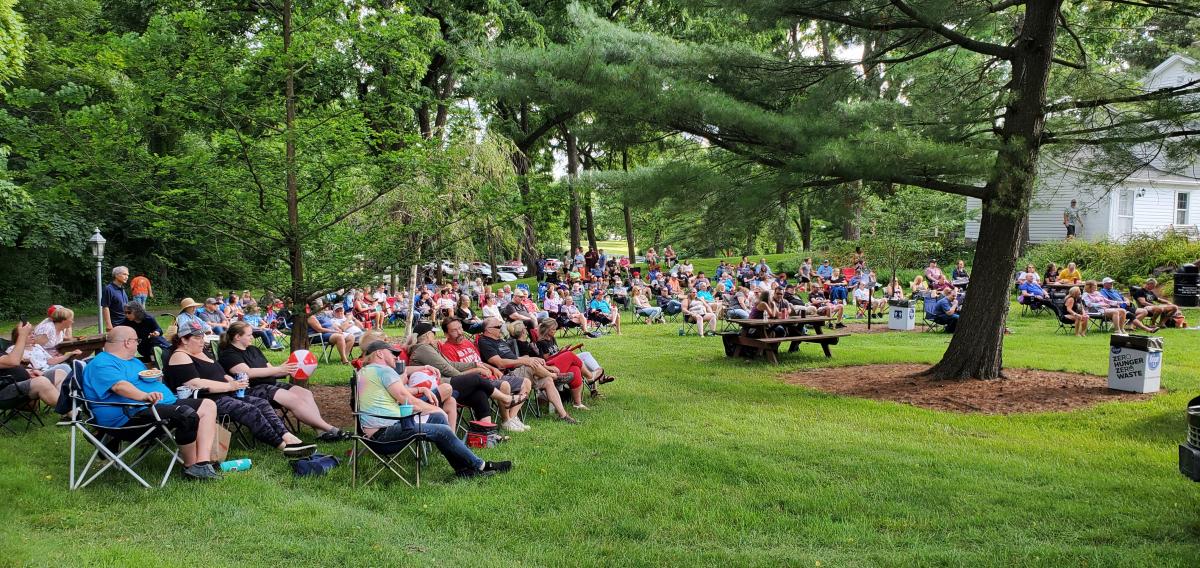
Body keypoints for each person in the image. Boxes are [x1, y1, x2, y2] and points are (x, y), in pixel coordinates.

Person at [82, 326, 221, 480]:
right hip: (129, 415)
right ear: (127, 342)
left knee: (207, 405)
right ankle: (191, 466)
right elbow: (119, 386)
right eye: (137, 341)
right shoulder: (102, 363)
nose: (138, 344)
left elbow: (144, 380)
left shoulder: (133, 361)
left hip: (156, 405)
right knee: (186, 414)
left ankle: (202, 463)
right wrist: (144, 396)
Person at [357, 341, 512, 479]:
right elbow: (406, 398)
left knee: (439, 422)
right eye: (392, 353)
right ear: (379, 353)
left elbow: (398, 394)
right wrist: (435, 409)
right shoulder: (384, 371)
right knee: (441, 427)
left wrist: (421, 392)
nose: (396, 357)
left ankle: (462, 469)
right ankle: (480, 465)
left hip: (375, 432)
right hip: (384, 435)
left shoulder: (366, 372)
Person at [165, 322, 316, 457]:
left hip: (227, 393)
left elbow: (221, 373)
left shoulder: (201, 352)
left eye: (203, 336)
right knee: (250, 410)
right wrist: (229, 386)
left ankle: (288, 437)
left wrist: (234, 381)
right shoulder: (180, 356)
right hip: (206, 400)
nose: (202, 340)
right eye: (197, 338)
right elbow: (195, 383)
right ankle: (283, 446)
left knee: (261, 403)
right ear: (183, 340)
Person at [218, 322, 348, 442]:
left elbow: (271, 370)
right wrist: (279, 368)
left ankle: (320, 431)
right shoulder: (228, 354)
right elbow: (248, 372)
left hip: (270, 385)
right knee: (294, 399)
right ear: (237, 337)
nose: (252, 337)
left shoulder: (254, 350)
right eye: (249, 335)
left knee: (305, 393)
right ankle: (331, 429)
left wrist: (290, 368)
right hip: (251, 389)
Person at [406, 322, 528, 430]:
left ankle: (485, 431)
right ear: (428, 335)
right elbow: (446, 369)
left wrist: (474, 364)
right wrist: (465, 378)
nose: (435, 336)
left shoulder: (429, 348)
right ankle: (506, 399)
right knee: (475, 379)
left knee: (479, 392)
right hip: (435, 388)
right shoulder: (423, 348)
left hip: (442, 383)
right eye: (433, 333)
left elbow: (451, 364)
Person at [477, 317, 578, 424]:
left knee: (547, 380)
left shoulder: (500, 341)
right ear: (488, 330)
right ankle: (556, 377)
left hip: (518, 370)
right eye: (498, 327)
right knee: (532, 366)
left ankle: (563, 415)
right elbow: (499, 363)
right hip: (506, 374)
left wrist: (530, 359)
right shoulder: (485, 342)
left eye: (501, 326)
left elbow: (514, 358)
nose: (501, 328)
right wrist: (526, 362)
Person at [1, 322, 65, 413]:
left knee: (60, 372)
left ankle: (72, 408)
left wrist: (29, 371)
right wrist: (22, 335)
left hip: (24, 380)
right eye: (29, 334)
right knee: (41, 382)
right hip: (6, 390)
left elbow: (7, 364)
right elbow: (13, 361)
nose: (32, 336)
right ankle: (72, 412)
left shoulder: (36, 347)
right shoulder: (13, 348)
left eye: (32, 333)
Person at [101, 266, 130, 332]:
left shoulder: (122, 289)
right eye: (124, 274)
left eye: (127, 275)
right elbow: (105, 307)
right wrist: (108, 325)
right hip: (116, 325)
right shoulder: (108, 289)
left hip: (126, 323)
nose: (127, 277)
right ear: (116, 275)